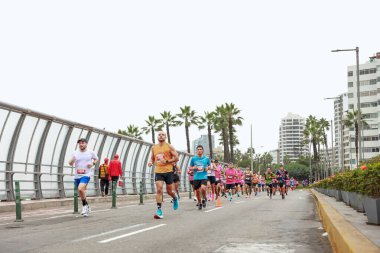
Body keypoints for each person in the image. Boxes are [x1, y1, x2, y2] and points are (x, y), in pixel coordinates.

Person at [148, 131, 179, 219]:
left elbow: (177, 158)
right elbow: (152, 158)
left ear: (165, 137)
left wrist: (166, 161)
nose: (161, 136)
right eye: (159, 135)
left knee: (169, 191)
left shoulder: (169, 146)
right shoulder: (154, 147)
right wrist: (150, 162)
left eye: (163, 135)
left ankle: (174, 197)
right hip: (158, 171)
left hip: (168, 171)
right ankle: (159, 210)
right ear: (157, 137)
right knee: (159, 189)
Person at [68, 138, 98, 217]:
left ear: (86, 144)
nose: (81, 144)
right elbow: (70, 163)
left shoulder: (90, 152)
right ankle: (86, 206)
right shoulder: (75, 153)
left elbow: (96, 159)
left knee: (80, 188)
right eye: (80, 143)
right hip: (77, 175)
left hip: (86, 174)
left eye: (82, 143)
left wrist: (92, 164)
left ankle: (85, 206)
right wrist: (72, 160)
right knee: (81, 192)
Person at [190, 145, 210, 210]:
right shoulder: (193, 159)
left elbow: (210, 166)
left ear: (203, 151)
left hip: (204, 176)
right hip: (196, 178)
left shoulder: (206, 159)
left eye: (200, 149)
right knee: (198, 192)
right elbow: (190, 167)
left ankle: (204, 198)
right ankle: (199, 203)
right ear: (196, 151)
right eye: (198, 149)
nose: (199, 150)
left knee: (203, 188)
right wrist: (193, 168)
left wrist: (207, 168)